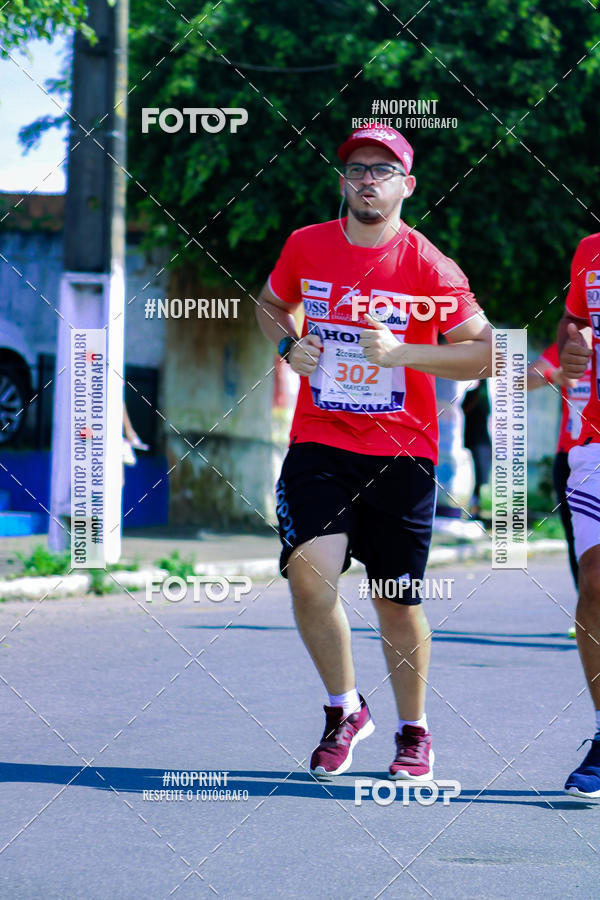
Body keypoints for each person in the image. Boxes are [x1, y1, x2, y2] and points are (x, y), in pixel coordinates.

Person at [255, 124, 492, 779]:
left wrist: (404, 354)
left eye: (382, 170)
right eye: (357, 168)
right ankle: (344, 708)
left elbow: (484, 351)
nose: (367, 179)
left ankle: (413, 730)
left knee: (395, 598)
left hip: (402, 455)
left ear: (405, 187)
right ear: (342, 182)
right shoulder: (307, 246)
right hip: (321, 440)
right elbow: (271, 305)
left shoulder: (428, 265)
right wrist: (287, 345)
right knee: (309, 574)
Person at [557, 233, 600, 799]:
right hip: (594, 440)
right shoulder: (590, 249)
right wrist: (578, 346)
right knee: (594, 582)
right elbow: (578, 326)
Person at [527, 343, 592, 597]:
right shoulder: (570, 348)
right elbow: (522, 380)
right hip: (571, 457)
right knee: (579, 540)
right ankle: (588, 612)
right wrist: (554, 375)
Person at [461, 380, 492, 519]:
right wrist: (475, 397)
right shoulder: (471, 394)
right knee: (470, 474)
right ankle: (468, 507)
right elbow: (464, 411)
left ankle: (476, 508)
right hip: (470, 440)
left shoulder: (487, 398)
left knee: (482, 476)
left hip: (484, 441)